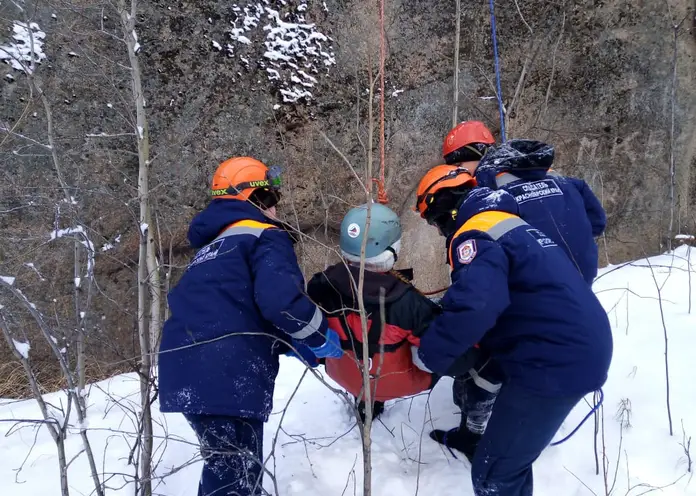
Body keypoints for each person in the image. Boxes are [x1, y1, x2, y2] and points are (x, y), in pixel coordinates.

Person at [413, 165, 613, 496]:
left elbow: (477, 304)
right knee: (505, 459)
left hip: (554, 360)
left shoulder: (473, 233)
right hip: (569, 343)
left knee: (495, 473)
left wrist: (429, 355)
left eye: (434, 221)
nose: (438, 230)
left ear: (444, 205)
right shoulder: (511, 224)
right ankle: (470, 435)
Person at [158, 157, 343, 496]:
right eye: (270, 199)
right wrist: (317, 336)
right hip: (227, 371)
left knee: (231, 468)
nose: (275, 208)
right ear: (252, 198)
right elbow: (280, 301)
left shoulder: (214, 247)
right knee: (233, 475)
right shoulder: (263, 235)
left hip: (184, 367)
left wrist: (289, 341)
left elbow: (234, 309)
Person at [441, 125, 607, 461]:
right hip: (575, 290)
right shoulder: (566, 183)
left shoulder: (495, 199)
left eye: (459, 163)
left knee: (494, 356)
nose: (460, 172)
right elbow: (598, 222)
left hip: (532, 296)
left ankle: (475, 432)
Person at [306, 203, 457, 422]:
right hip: (394, 382)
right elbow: (443, 350)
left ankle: (366, 405)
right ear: (393, 249)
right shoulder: (408, 302)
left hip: (341, 373)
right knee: (431, 348)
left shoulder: (320, 285)